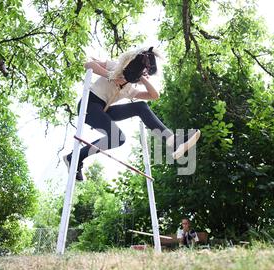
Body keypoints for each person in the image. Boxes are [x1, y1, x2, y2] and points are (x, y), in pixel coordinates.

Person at [63, 46, 201, 181]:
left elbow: (154, 95)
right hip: (89, 105)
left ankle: (173, 141)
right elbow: (88, 65)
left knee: (140, 107)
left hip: (104, 109)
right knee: (118, 137)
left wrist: (142, 78)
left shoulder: (130, 89)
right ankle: (75, 156)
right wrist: (111, 76)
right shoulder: (115, 67)